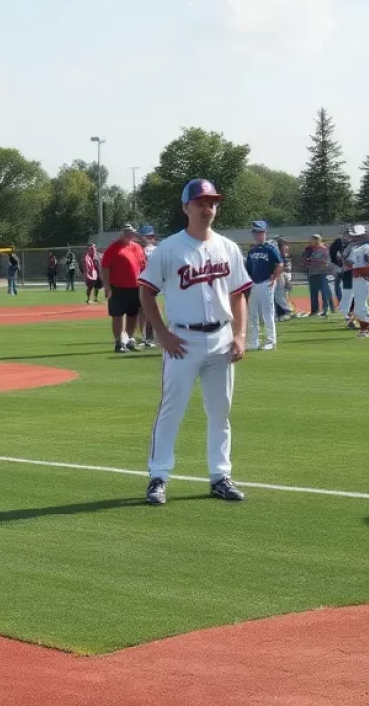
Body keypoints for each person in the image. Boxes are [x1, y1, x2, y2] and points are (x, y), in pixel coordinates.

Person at [138, 179, 252, 506]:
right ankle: (158, 477)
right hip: (182, 339)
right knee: (171, 410)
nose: (208, 208)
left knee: (220, 411)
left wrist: (241, 334)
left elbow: (238, 295)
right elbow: (146, 290)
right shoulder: (168, 249)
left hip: (220, 338)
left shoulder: (228, 247)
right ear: (186, 207)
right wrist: (161, 332)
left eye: (212, 202)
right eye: (201, 202)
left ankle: (220, 476)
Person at [100, 223, 147, 352]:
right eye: (126, 232)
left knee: (133, 314)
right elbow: (105, 267)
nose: (129, 234)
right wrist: (107, 285)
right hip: (118, 287)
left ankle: (129, 339)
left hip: (135, 286)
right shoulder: (113, 248)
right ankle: (119, 342)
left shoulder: (137, 247)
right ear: (121, 233)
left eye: (131, 232)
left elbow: (143, 265)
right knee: (118, 315)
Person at [245, 220, 283, 351]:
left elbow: (279, 264)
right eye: (255, 232)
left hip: (266, 282)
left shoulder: (270, 248)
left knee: (267, 313)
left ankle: (270, 341)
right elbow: (248, 268)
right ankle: (253, 341)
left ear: (265, 233)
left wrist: (274, 277)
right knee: (252, 314)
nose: (258, 235)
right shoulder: (252, 249)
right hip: (254, 283)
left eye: (260, 232)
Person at [344, 224, 369, 338]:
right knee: (359, 306)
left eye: (357, 236)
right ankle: (368, 328)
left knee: (360, 305)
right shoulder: (354, 249)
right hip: (356, 278)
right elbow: (349, 263)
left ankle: (367, 328)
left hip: (364, 277)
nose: (355, 238)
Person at [302, 234, 335, 317]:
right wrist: (306, 262)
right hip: (312, 274)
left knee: (324, 293)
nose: (310, 241)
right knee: (313, 294)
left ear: (317, 240)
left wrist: (313, 260)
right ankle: (314, 311)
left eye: (311, 240)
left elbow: (325, 263)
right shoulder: (313, 250)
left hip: (322, 274)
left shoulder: (324, 250)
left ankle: (326, 310)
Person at [137, 224, 159, 347]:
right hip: (152, 283)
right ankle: (146, 335)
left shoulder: (145, 249)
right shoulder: (156, 249)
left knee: (145, 310)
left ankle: (148, 336)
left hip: (146, 283)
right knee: (144, 310)